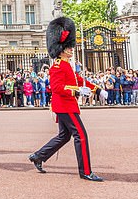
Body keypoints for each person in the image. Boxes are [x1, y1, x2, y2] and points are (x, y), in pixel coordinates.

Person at [29, 17, 103, 182]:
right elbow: (56, 88)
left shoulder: (66, 65)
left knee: (64, 136)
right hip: (64, 106)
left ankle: (38, 156)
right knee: (81, 135)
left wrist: (97, 89)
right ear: (61, 49)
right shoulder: (56, 66)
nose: (71, 49)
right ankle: (85, 171)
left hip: (67, 105)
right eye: (68, 47)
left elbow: (78, 79)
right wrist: (77, 91)